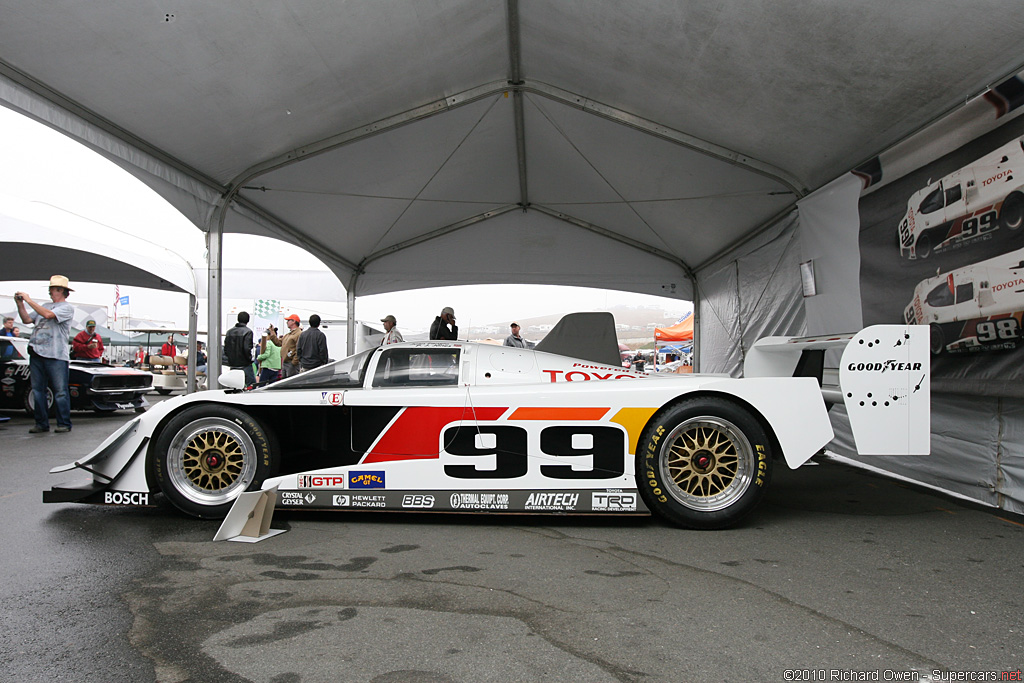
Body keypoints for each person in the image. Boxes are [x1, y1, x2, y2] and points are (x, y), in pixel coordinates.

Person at [16, 275, 75, 433]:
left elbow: (48, 315)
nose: (50, 292)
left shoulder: (67, 308)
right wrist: (20, 304)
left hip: (56, 355)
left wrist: (28, 300)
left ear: (61, 290)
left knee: (60, 391)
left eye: (52, 289)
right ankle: (41, 423)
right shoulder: (45, 305)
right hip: (37, 352)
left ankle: (63, 423)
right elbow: (27, 319)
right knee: (38, 390)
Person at [224, 311, 256, 386]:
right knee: (251, 385)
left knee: (234, 386)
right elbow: (247, 348)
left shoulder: (229, 332)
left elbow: (226, 349)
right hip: (245, 364)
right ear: (248, 320)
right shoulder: (248, 332)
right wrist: (249, 359)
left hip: (233, 364)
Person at [270, 314, 302, 378]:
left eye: (288, 320)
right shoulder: (288, 335)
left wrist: (294, 362)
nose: (287, 322)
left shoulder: (299, 334)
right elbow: (278, 343)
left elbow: (300, 349)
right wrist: (272, 332)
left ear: (294, 321)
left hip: (291, 363)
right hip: (285, 362)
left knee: (291, 384)